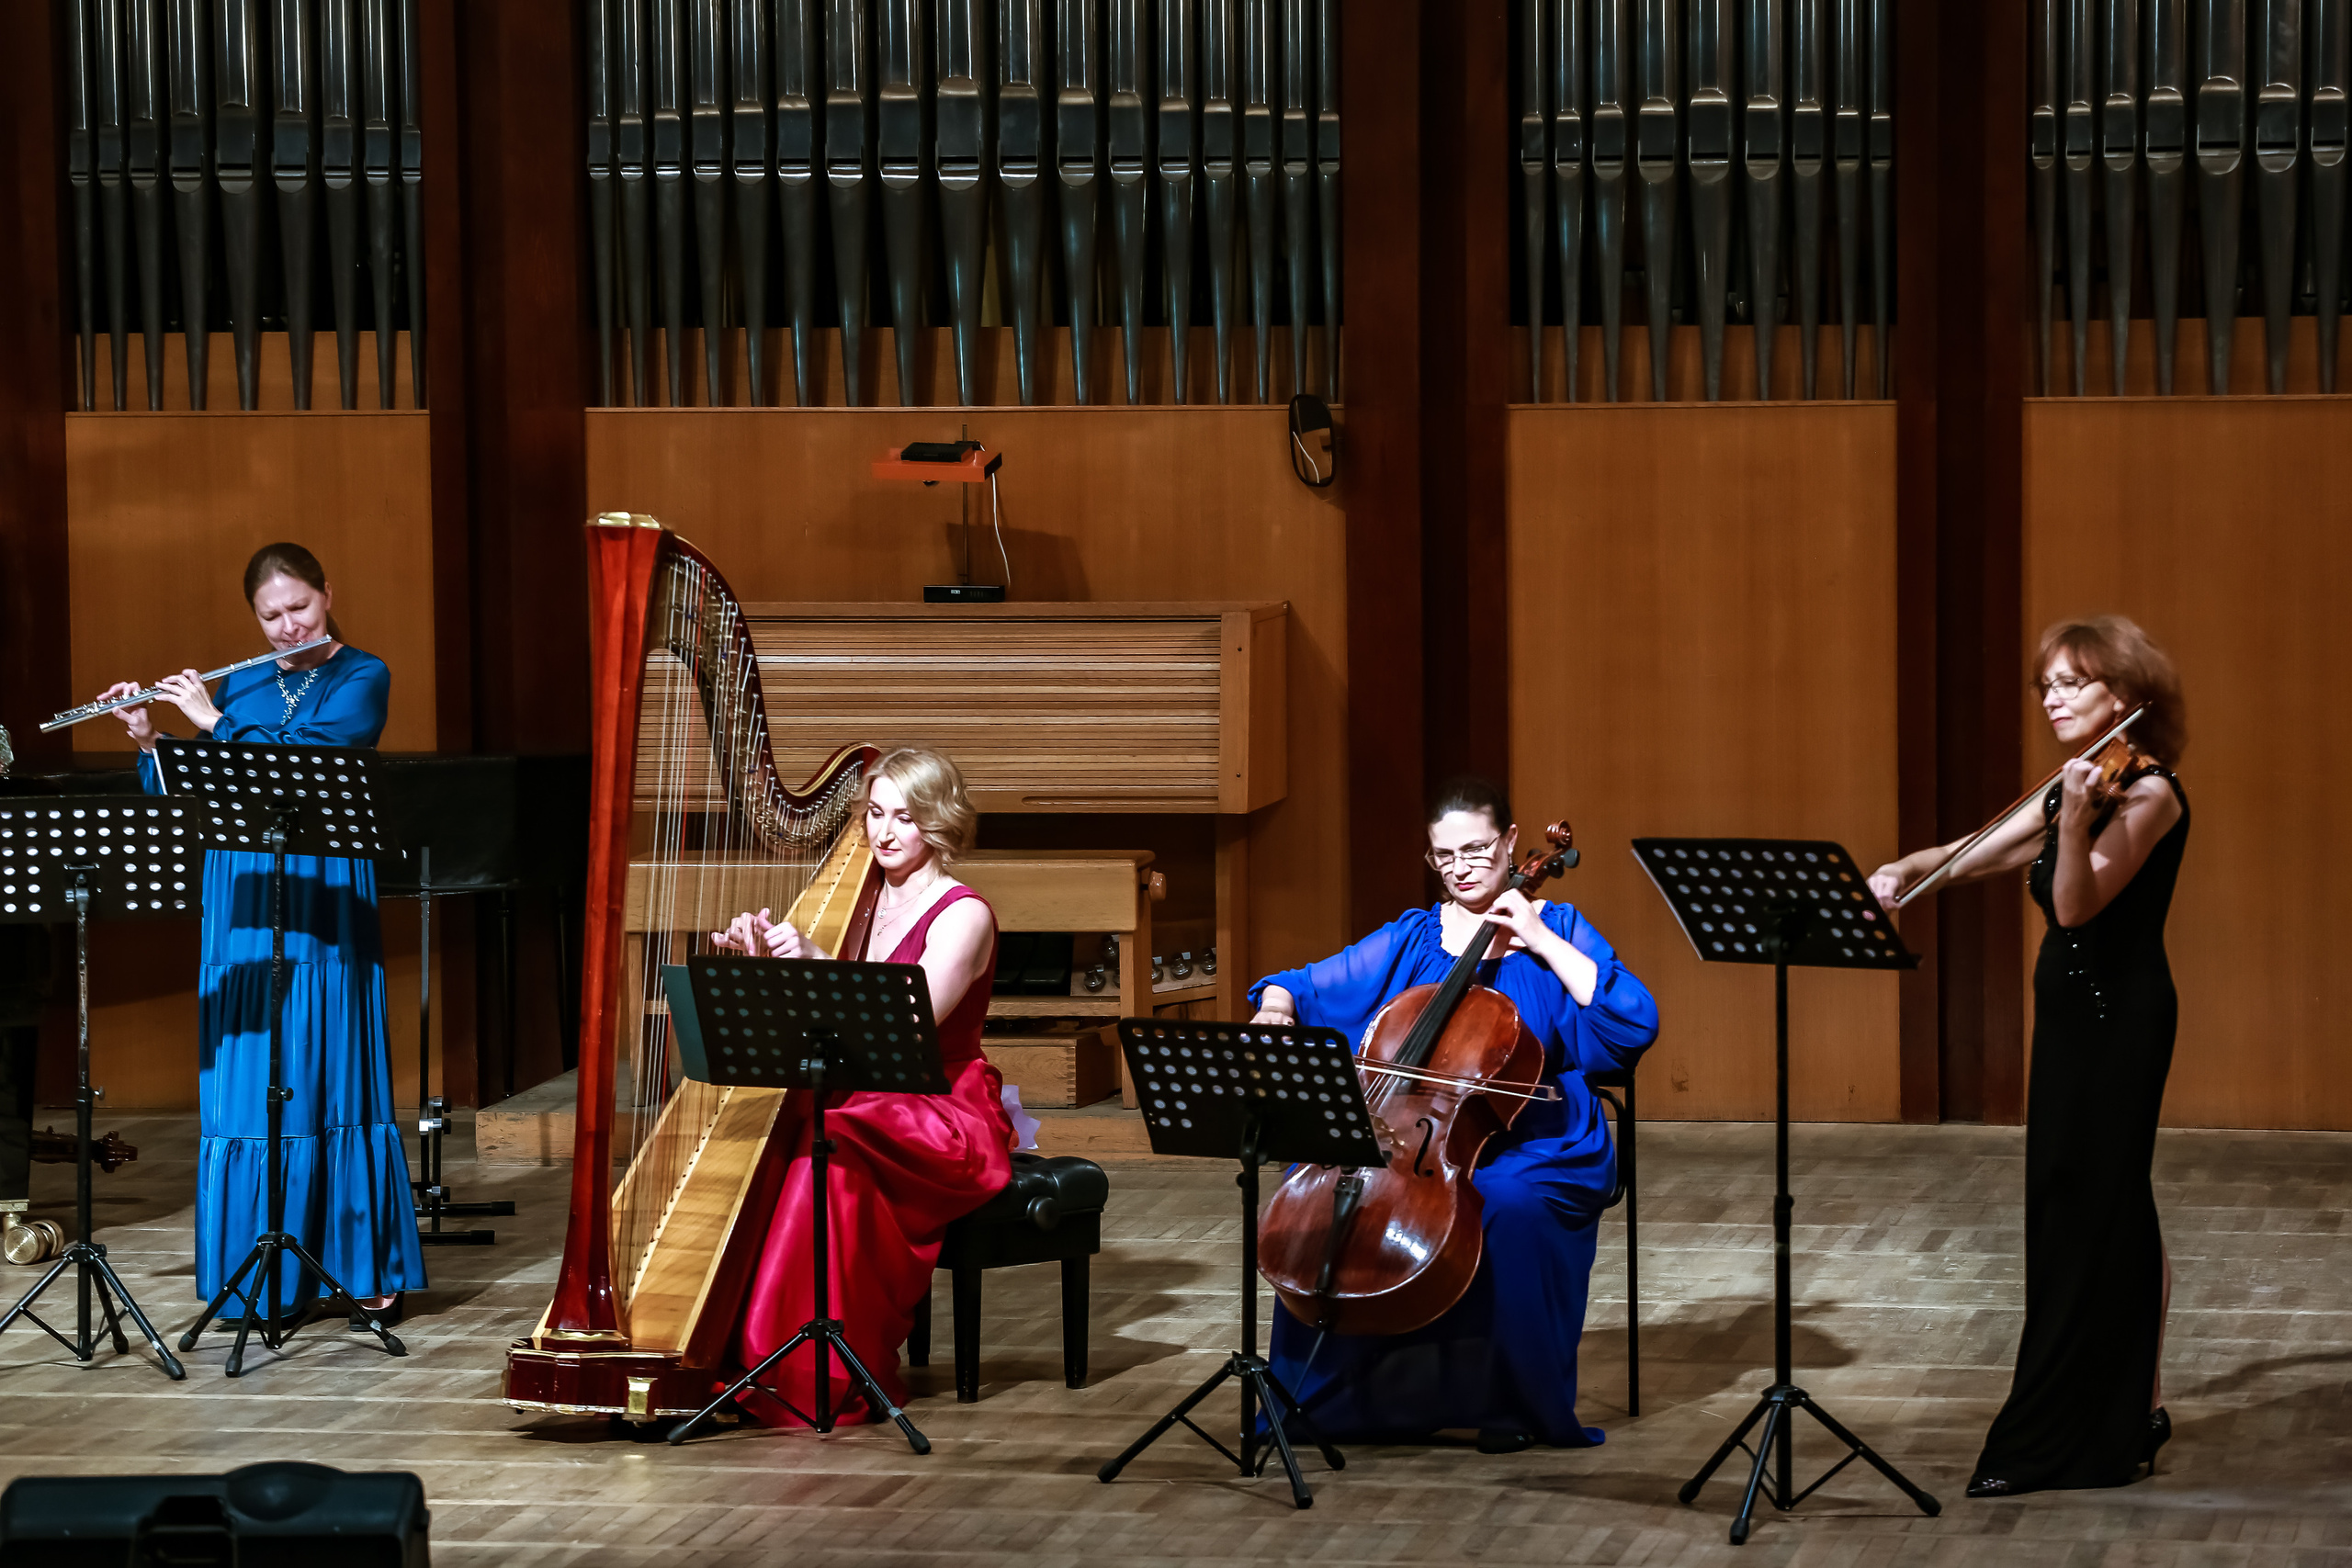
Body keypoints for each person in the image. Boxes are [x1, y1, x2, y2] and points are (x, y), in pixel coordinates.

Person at [1869, 615, 2188, 1496]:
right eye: (2044, 683)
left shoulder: (2147, 793)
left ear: (2121, 696)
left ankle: (2099, 1422)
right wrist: (1903, 873)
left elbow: (2074, 905)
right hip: (2073, 1022)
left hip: (2119, 1023)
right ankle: (2132, 1406)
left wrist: (2080, 820)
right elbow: (1977, 853)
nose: (2049, 698)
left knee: (2100, 1202)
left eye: (2069, 683)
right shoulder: (2072, 786)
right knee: (2080, 1202)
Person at [1248, 776, 1659, 1451]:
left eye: (1475, 849)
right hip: (1424, 1137)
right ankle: (1328, 1400)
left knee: (1506, 1204)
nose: (1461, 868)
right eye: (1444, 856)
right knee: (1327, 1199)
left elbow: (1631, 1023)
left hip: (1535, 1136)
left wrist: (1537, 936)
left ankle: (1513, 1405)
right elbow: (1300, 982)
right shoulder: (1412, 937)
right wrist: (1277, 1006)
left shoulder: (1556, 927)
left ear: (1511, 843)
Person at [107, 543, 424, 1324]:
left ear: (327, 594)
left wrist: (214, 720)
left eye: (300, 608)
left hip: (321, 889)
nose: (287, 627)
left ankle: (355, 1261)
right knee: (253, 1079)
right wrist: (152, 740)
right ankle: (263, 1275)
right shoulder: (246, 678)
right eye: (271, 615)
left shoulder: (362, 674)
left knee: (329, 1067)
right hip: (244, 897)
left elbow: (314, 758)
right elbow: (200, 790)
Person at [710, 747, 1014, 1425]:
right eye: (875, 813)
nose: (884, 832)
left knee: (832, 1142)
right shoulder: (856, 898)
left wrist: (817, 962)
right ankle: (750, 1350)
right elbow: (823, 1027)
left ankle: (820, 1367)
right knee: (786, 1131)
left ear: (938, 822)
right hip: (865, 1090)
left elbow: (907, 1024)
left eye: (904, 818)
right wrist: (766, 957)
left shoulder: (964, 914)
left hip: (939, 1103)